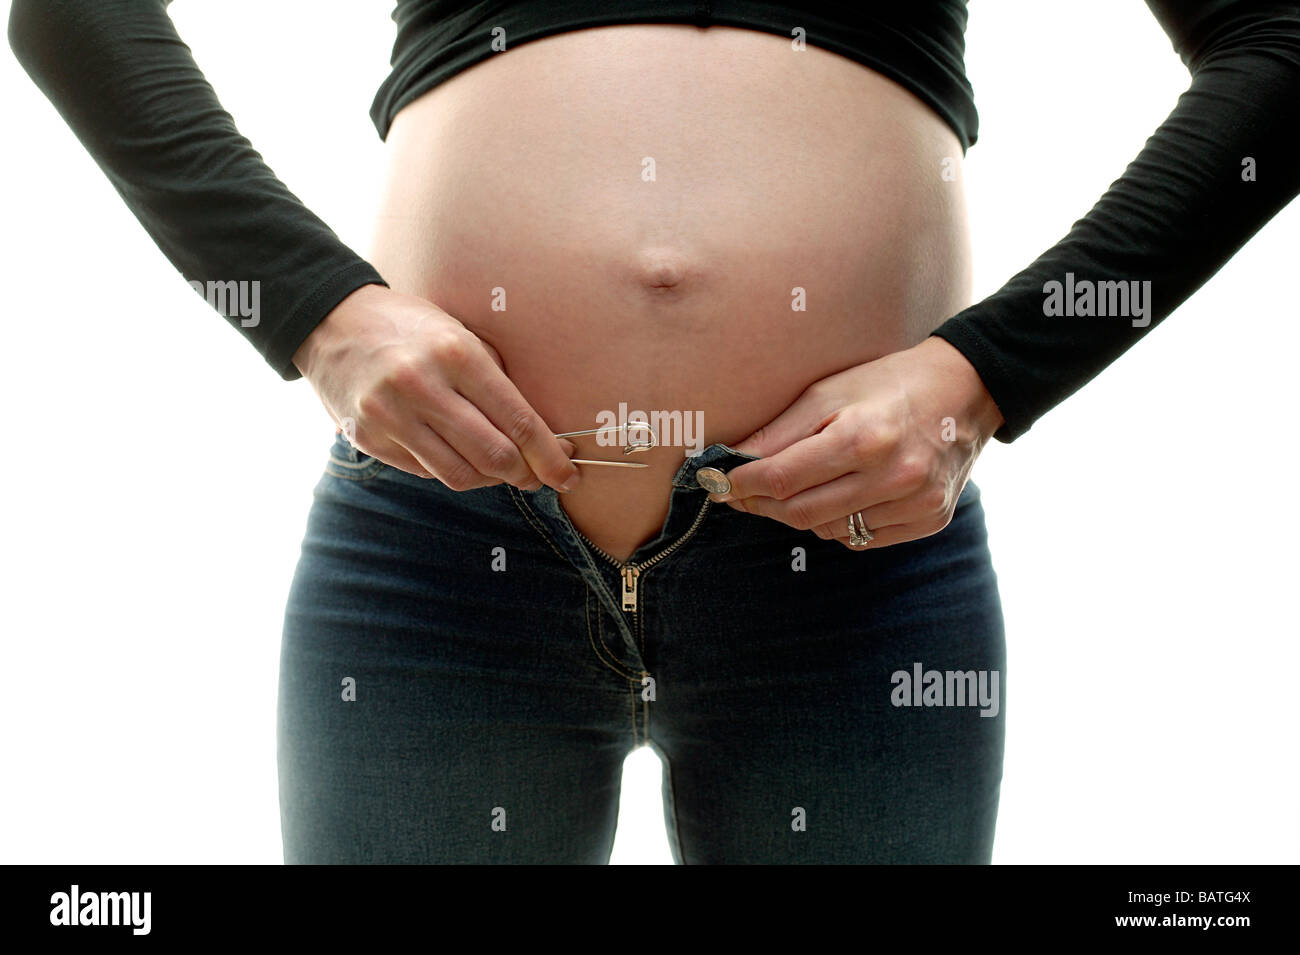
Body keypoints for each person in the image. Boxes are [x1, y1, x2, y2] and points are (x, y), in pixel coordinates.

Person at [10, 0, 1299, 863]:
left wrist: (986, 376)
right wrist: (314, 311)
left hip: (850, 569)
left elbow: (1278, 40)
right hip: (440, 557)